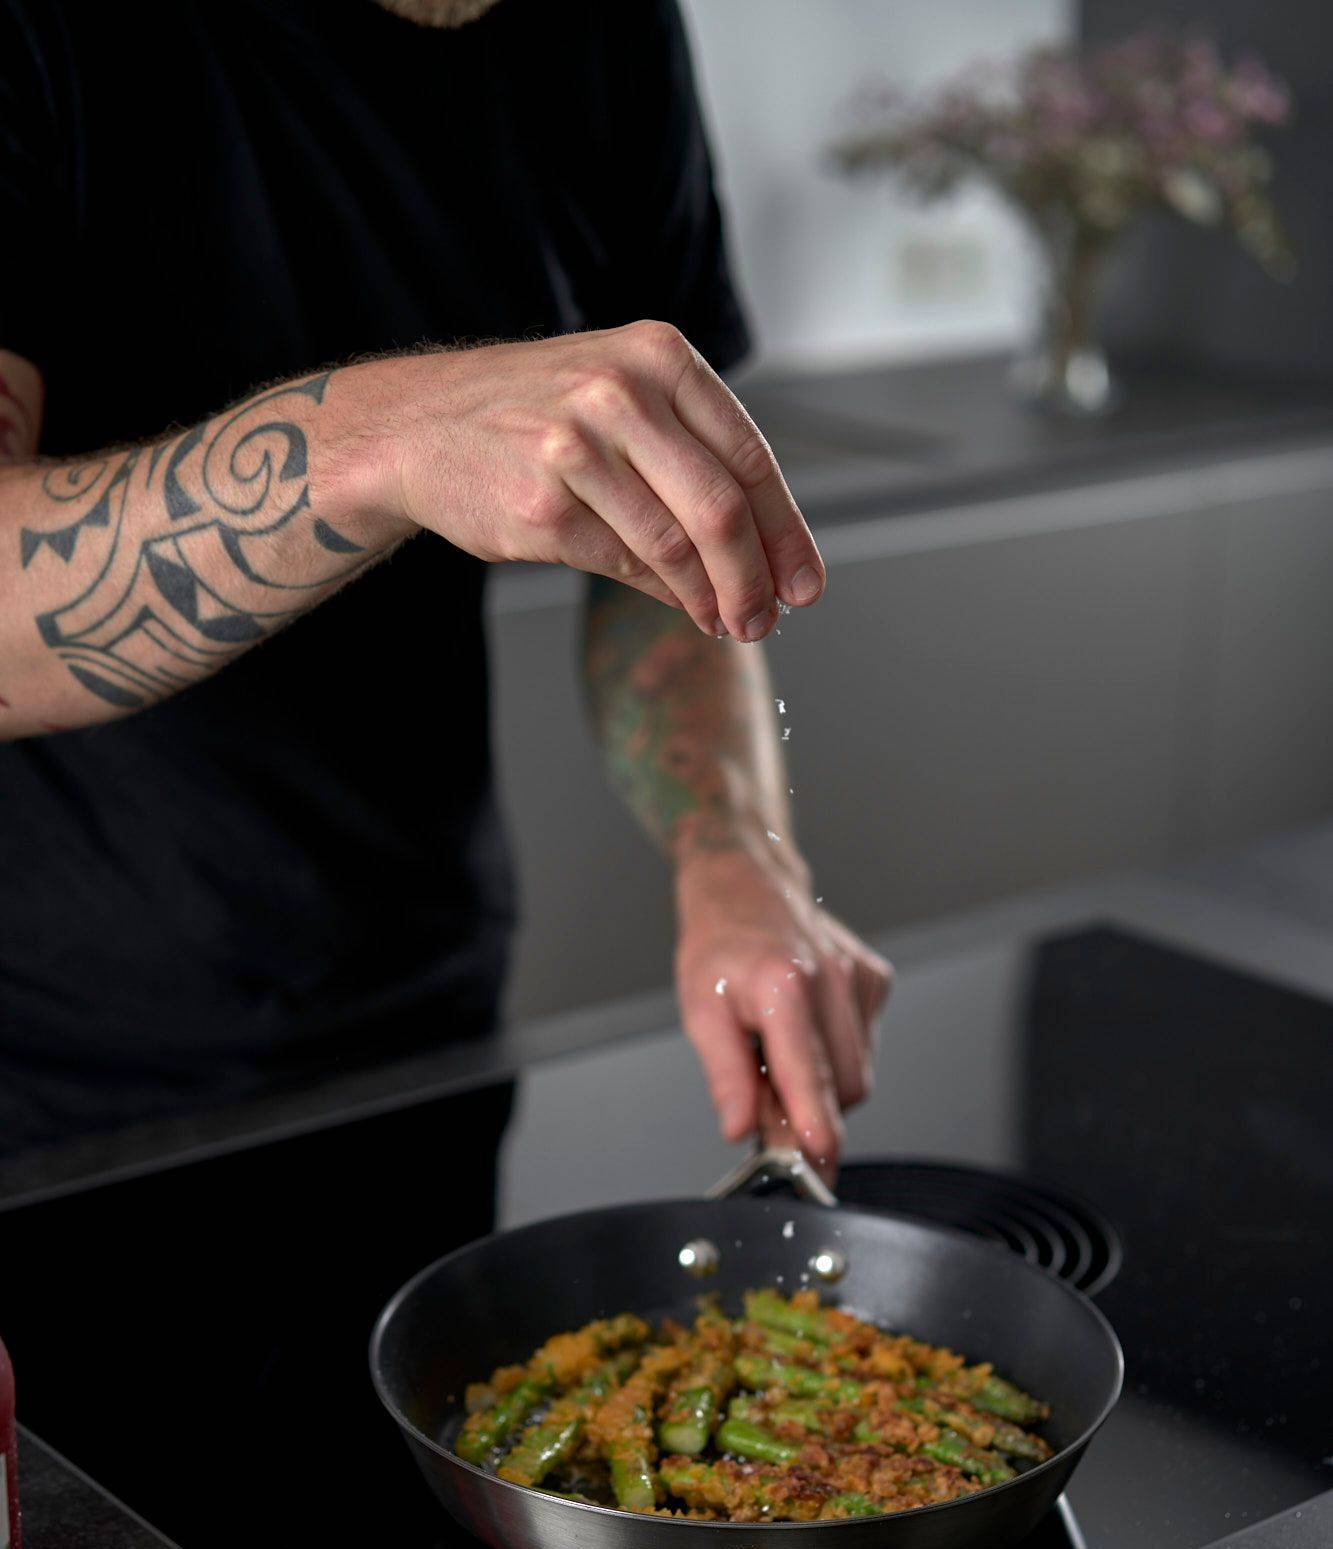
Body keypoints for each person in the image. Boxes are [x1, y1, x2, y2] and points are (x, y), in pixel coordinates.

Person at [0, 0, 891, 1182]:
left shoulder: (608, 30)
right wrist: (382, 441)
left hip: (425, 1028)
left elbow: (667, 538)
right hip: (53, 1085)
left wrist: (732, 849)